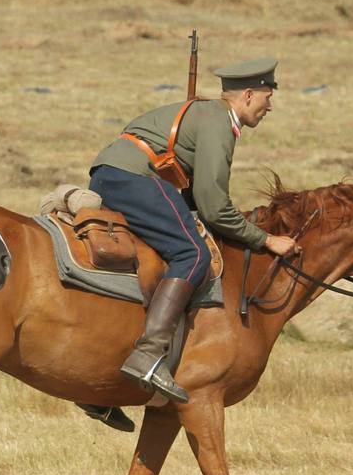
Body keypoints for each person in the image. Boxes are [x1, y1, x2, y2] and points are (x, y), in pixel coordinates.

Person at [89, 58, 298, 406]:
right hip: (134, 179)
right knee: (194, 253)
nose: (270, 106)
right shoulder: (218, 122)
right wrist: (266, 239)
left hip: (111, 174)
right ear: (247, 95)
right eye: (266, 97)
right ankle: (149, 354)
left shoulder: (204, 114)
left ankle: (100, 384)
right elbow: (214, 206)